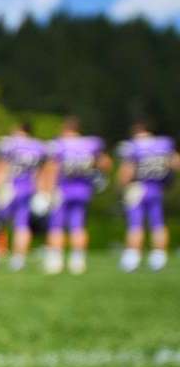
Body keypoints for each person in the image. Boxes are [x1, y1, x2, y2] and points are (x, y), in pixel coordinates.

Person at [37, 116, 112, 275]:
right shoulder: (89, 144)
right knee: (78, 226)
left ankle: (55, 261)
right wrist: (97, 174)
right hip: (83, 190)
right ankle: (78, 261)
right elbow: (106, 163)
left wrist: (46, 191)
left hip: (62, 190)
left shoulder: (59, 145)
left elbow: (52, 168)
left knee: (56, 226)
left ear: (64, 129)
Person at [0, 122, 46, 274]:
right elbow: (40, 173)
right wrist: (42, 193)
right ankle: (18, 260)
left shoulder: (8, 144)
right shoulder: (38, 147)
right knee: (22, 225)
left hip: (8, 189)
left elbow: (0, 168)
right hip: (28, 189)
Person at [116, 120, 178, 272]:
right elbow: (176, 163)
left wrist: (121, 187)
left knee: (135, 224)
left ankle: (132, 258)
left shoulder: (134, 146)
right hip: (157, 188)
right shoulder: (163, 144)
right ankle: (158, 257)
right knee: (158, 224)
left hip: (138, 188)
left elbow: (127, 171)